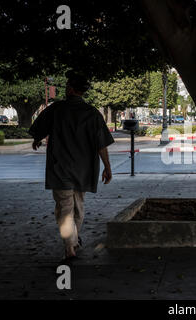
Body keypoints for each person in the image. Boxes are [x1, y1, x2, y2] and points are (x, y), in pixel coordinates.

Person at [29, 70, 114, 260]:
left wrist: (37, 138)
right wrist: (107, 168)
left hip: (60, 169)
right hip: (83, 171)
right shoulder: (93, 114)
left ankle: (70, 247)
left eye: (67, 85)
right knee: (78, 207)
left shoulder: (56, 109)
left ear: (70, 89)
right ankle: (73, 241)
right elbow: (102, 145)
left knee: (64, 209)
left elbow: (39, 128)